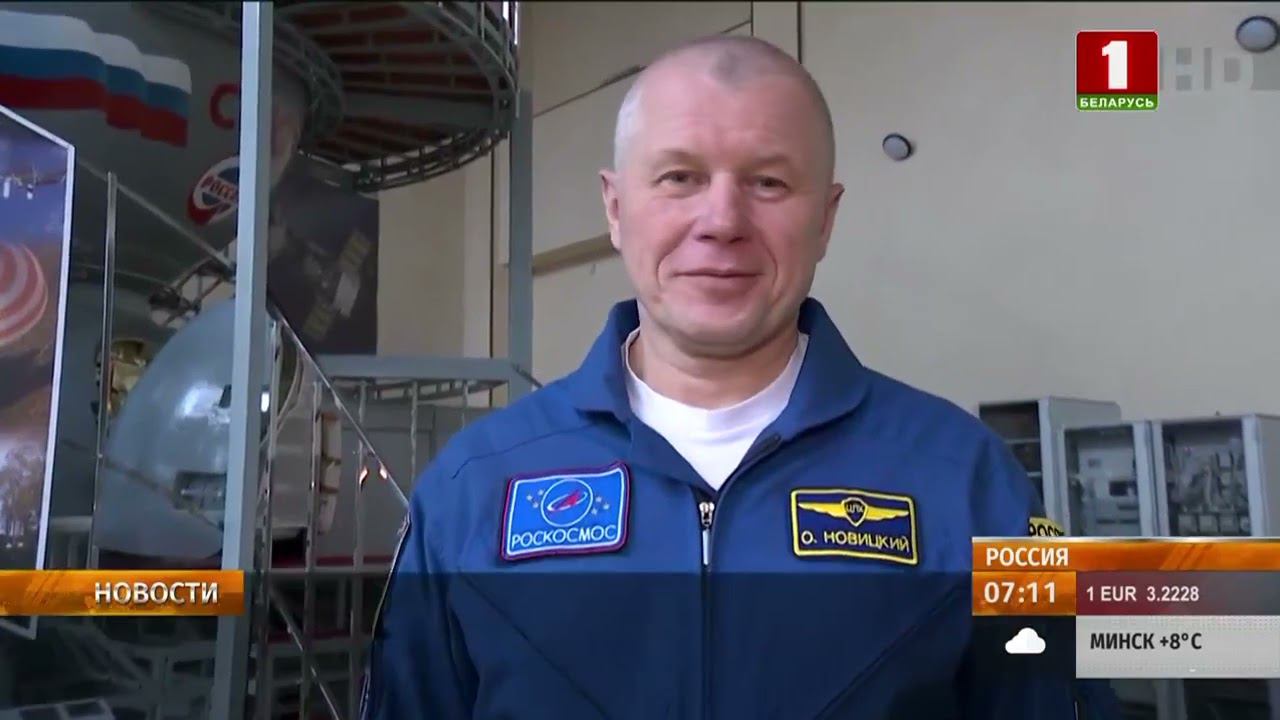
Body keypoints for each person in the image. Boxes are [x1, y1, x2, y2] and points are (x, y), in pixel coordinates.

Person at [362, 35, 1119, 719]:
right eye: (680, 177)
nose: (722, 220)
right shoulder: (471, 487)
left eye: (769, 183)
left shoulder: (972, 479)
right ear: (616, 208)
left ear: (825, 218)